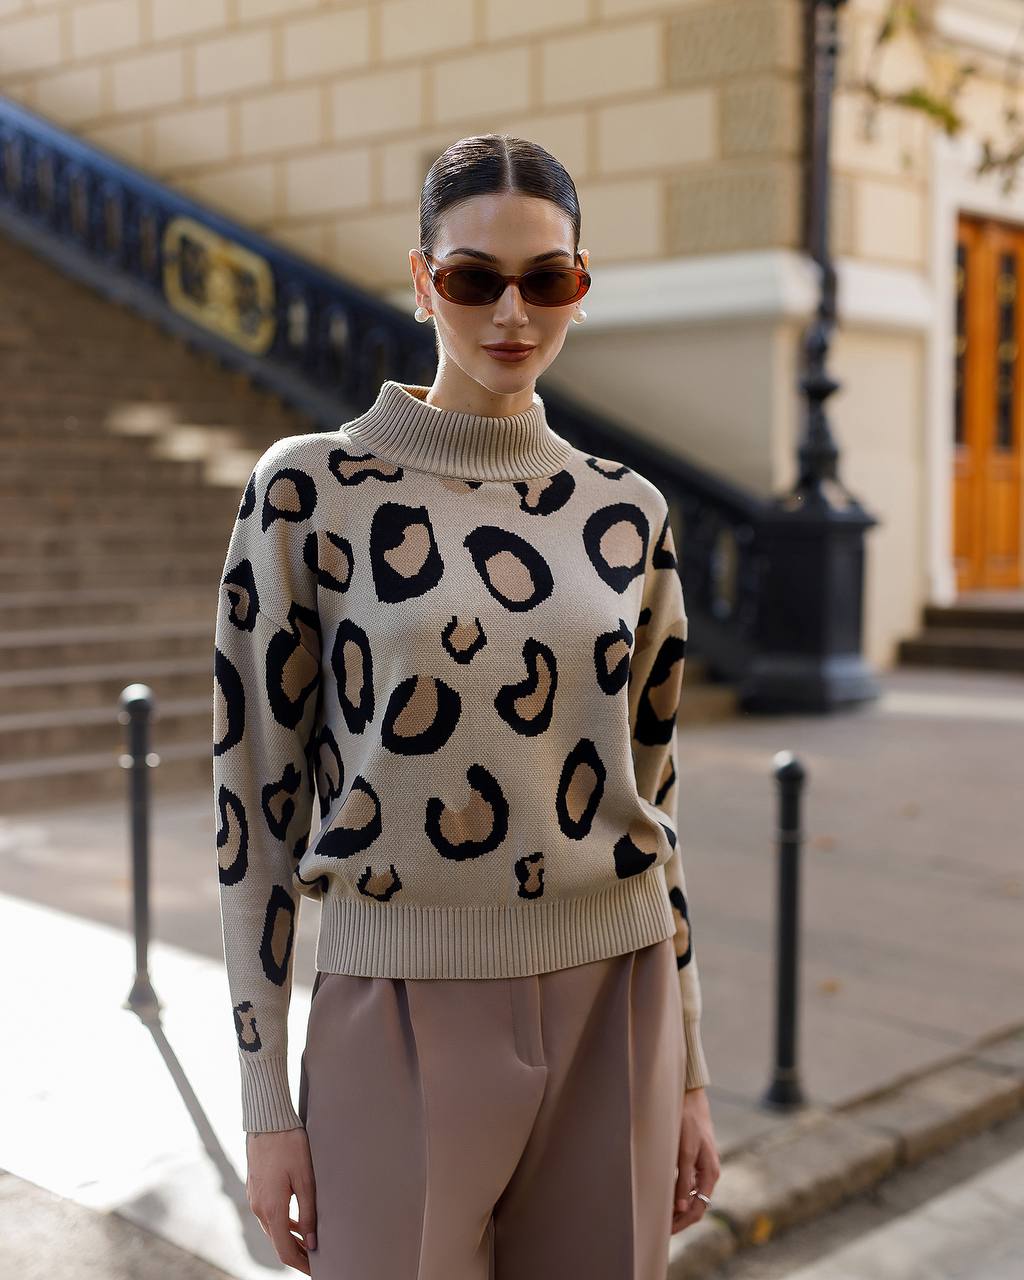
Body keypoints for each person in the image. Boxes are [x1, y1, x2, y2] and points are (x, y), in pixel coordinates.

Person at [213, 132, 720, 1279]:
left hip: (618, 1004)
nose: (511, 311)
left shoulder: (626, 510)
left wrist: (686, 1066)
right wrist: (264, 1100)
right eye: (471, 277)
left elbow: (656, 800)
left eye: (547, 278)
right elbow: (254, 810)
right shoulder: (307, 490)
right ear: (420, 279)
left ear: (580, 285)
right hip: (391, 1008)